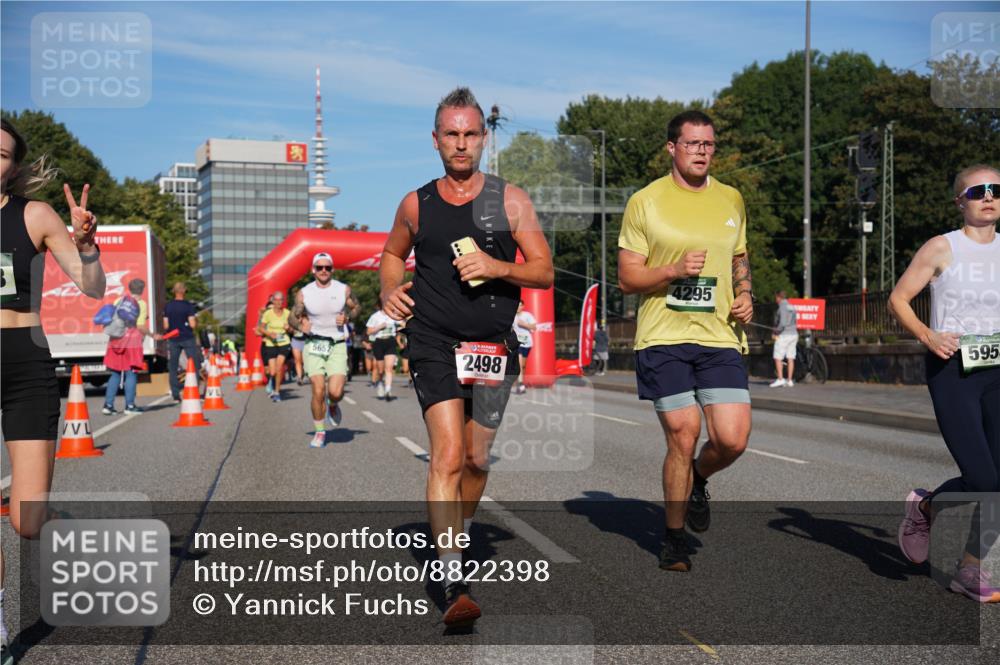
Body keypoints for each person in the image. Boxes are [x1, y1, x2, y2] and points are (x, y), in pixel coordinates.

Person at [379, 87, 553, 628]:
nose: (461, 143)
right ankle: (453, 577)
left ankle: (460, 526)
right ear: (436, 141)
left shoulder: (510, 201)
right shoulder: (417, 203)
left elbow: (544, 270)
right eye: (451, 134)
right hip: (432, 340)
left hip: (493, 348)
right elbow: (391, 254)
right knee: (448, 456)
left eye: (470, 134)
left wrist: (497, 268)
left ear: (483, 139)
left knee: (477, 461)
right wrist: (389, 289)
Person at [617, 109, 754, 573]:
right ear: (672, 148)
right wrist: (673, 270)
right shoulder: (646, 201)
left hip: (720, 336)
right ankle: (673, 538)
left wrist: (747, 293)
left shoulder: (731, 199)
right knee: (684, 432)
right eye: (692, 144)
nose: (701, 152)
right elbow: (627, 277)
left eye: (709, 144)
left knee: (732, 440)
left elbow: (739, 256)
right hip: (663, 337)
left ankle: (698, 476)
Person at [1, 118, 106, 663]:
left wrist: (88, 247)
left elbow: (92, 289)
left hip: (24, 365)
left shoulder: (32, 215)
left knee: (27, 522)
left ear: (13, 165)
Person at [890, 165, 1000, 603]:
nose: (988, 197)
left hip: (998, 370)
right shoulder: (941, 247)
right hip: (953, 370)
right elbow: (898, 299)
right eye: (978, 191)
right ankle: (927, 506)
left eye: (996, 189)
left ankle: (970, 569)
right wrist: (928, 334)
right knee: (985, 478)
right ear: (961, 202)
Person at [289, 252, 359, 449]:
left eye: (327, 267)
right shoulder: (304, 293)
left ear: (332, 269)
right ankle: (320, 431)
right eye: (319, 267)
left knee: (335, 392)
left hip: (336, 344)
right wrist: (300, 324)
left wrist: (347, 317)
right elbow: (292, 317)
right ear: (313, 270)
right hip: (314, 344)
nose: (323, 271)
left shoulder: (343, 289)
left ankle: (333, 404)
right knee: (318, 390)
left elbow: (356, 308)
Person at [102, 278, 158, 414]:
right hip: (132, 342)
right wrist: (152, 335)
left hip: (115, 340)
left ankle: (108, 406)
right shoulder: (141, 304)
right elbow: (140, 326)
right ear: (142, 290)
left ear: (129, 288)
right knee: (131, 372)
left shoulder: (119, 301)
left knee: (115, 373)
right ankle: (130, 406)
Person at [163, 281, 202, 403]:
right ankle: (193, 391)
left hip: (173, 338)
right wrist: (195, 322)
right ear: (184, 291)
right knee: (193, 365)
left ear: (174, 291)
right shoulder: (188, 306)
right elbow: (192, 324)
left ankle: (175, 395)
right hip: (187, 337)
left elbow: (165, 325)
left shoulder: (168, 306)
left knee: (173, 366)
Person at [256, 290, 292, 402]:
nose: (279, 302)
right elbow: (260, 328)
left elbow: (293, 330)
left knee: (279, 368)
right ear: (273, 301)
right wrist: (269, 334)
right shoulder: (268, 314)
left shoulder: (288, 313)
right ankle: (271, 381)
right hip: (271, 343)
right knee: (272, 371)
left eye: (281, 300)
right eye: (277, 300)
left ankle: (277, 392)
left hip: (284, 343)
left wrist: (289, 328)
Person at [366, 305, 400, 400]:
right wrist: (379, 327)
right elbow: (368, 332)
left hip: (390, 341)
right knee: (380, 370)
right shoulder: (375, 316)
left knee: (389, 368)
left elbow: (403, 322)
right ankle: (380, 382)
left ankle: (388, 390)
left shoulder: (394, 314)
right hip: (379, 342)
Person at [770, 290, 799, 387]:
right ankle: (790, 380)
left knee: (778, 357)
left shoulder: (782, 306)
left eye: (776, 298)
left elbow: (782, 323)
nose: (776, 300)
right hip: (794, 333)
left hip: (784, 334)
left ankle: (780, 379)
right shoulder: (791, 306)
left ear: (779, 297)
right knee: (790, 357)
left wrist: (775, 331)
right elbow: (795, 320)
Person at [512, 300, 536, 394]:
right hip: (517, 343)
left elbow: (534, 327)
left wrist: (524, 324)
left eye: (520, 305)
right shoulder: (512, 316)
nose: (518, 307)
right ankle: (521, 384)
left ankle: (520, 383)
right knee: (519, 364)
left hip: (527, 343)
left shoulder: (527, 315)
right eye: (517, 305)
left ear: (523, 306)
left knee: (523, 365)